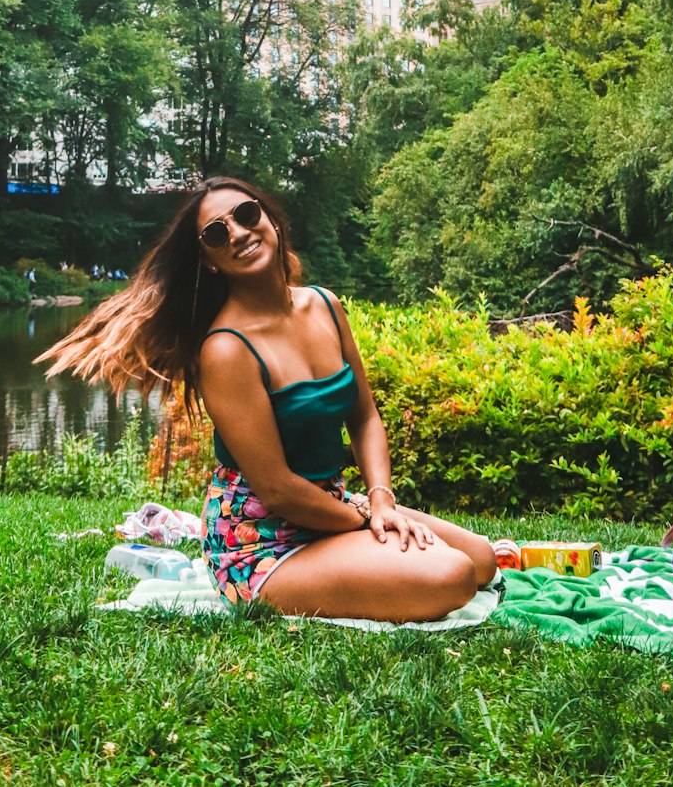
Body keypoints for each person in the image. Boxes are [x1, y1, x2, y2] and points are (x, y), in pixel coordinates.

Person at [38, 177, 496, 622]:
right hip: (260, 542)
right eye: (217, 234)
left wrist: (380, 501)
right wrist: (363, 520)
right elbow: (277, 488)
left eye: (246, 214)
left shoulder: (324, 305)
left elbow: (364, 416)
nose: (237, 232)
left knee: (480, 560)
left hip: (329, 504)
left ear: (271, 220)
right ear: (210, 260)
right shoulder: (226, 349)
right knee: (452, 575)